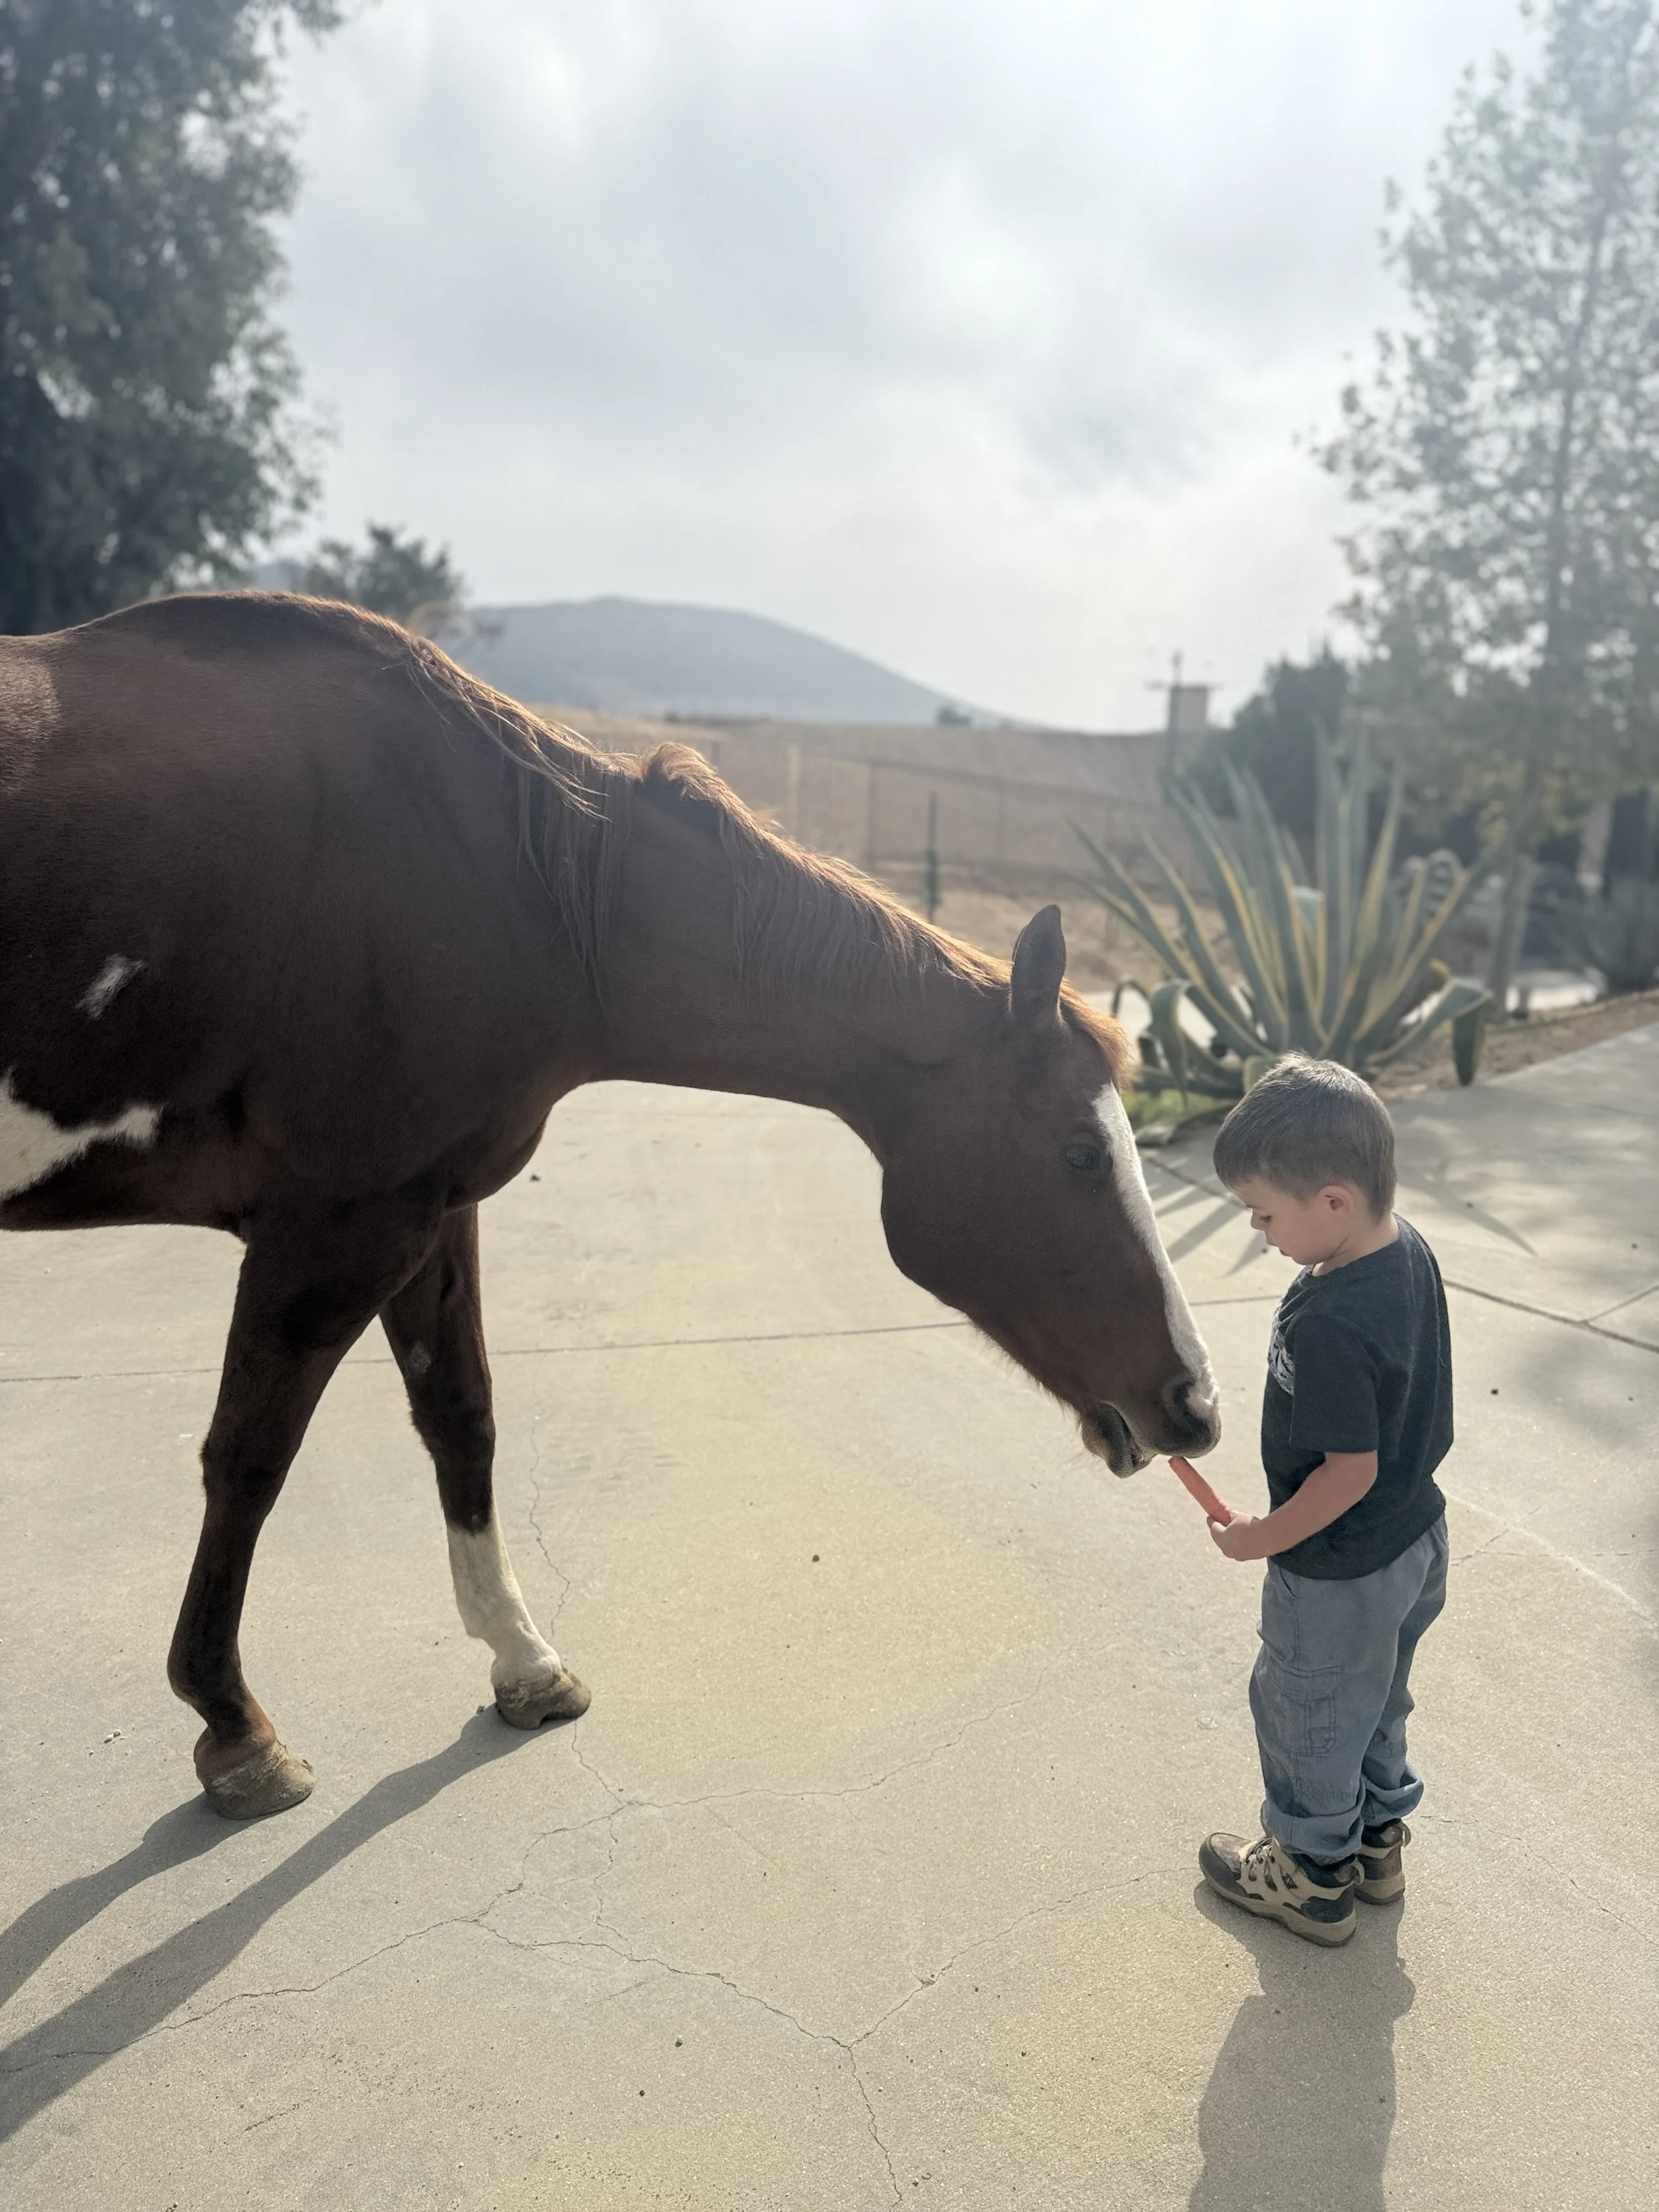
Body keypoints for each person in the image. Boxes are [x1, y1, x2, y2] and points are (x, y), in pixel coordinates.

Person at [1182, 1055, 1451, 1947]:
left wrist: (1263, 1537)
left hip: (1338, 1568)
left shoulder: (1331, 1322)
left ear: (1334, 1201)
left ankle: (1310, 1877)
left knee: (1307, 1715)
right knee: (1375, 1701)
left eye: (1264, 1212)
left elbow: (1349, 1472)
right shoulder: (1405, 1247)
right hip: (1414, 1540)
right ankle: (1375, 1843)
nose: (1257, 1229)